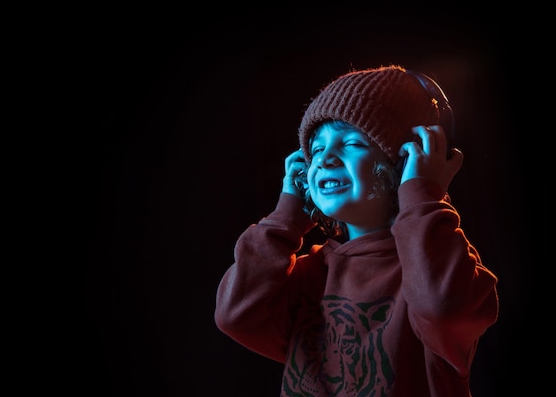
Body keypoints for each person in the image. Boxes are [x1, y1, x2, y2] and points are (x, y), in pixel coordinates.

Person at [214, 64, 499, 397]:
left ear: (404, 162)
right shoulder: (305, 275)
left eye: (352, 143)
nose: (325, 160)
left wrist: (422, 196)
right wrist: (285, 217)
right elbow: (236, 314)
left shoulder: (439, 263)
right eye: (316, 150)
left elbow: (444, 309)